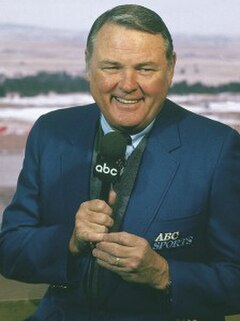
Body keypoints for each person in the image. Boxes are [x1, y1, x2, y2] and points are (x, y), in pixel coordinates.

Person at [0, 4, 239, 321]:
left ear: (171, 68)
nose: (127, 84)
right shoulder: (51, 132)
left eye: (145, 69)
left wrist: (163, 274)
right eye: (111, 67)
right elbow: (10, 250)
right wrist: (69, 241)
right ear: (88, 64)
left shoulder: (217, 148)